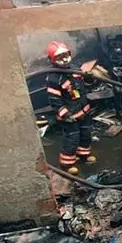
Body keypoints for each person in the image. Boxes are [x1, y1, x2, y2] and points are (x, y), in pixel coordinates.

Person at [45, 41, 95, 175]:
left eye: (65, 55)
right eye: (59, 57)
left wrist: (90, 78)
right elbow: (55, 100)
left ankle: (83, 156)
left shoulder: (75, 69)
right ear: (52, 60)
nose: (64, 59)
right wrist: (65, 115)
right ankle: (67, 164)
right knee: (72, 138)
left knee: (86, 134)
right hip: (69, 116)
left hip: (83, 110)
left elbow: (87, 87)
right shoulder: (53, 78)